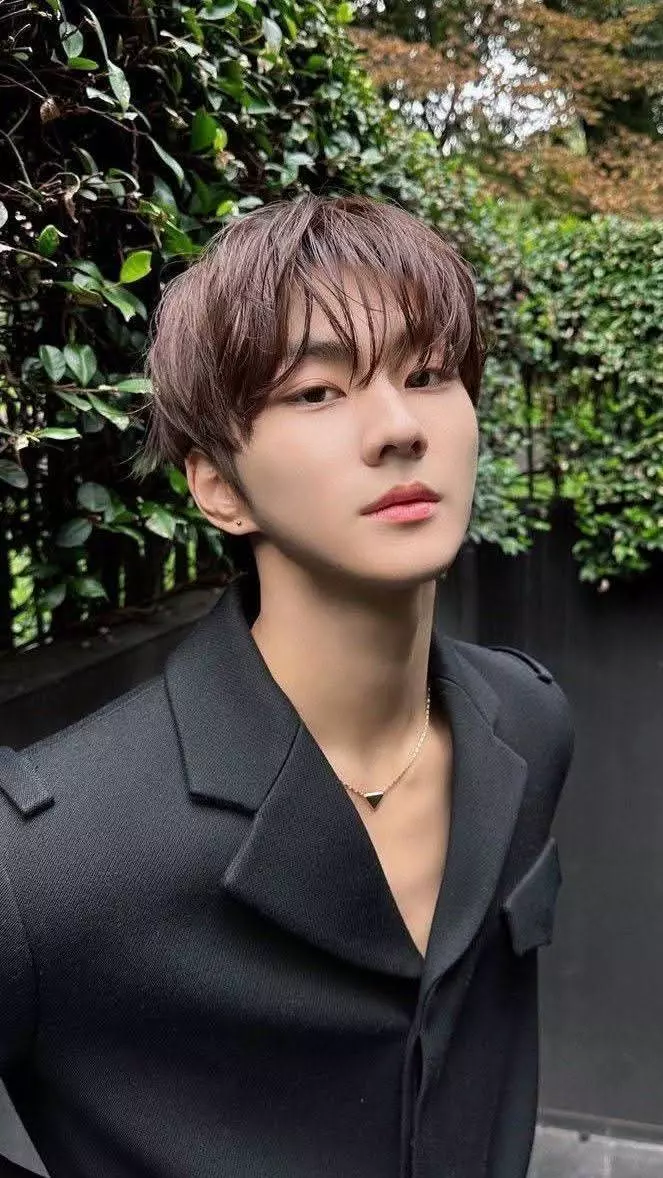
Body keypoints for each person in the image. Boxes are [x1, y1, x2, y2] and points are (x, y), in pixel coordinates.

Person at [0, 193, 574, 1178]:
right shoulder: (44, 858)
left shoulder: (529, 720)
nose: (399, 426)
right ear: (218, 486)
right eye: (317, 391)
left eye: (428, 373)